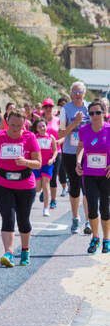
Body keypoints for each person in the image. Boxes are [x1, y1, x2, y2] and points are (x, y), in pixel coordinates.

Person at [0, 105, 42, 267]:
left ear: (24, 125)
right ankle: (9, 253)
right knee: (8, 217)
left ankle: (25, 250)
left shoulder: (30, 137)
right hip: (2, 183)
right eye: (12, 125)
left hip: (25, 185)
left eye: (19, 126)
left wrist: (25, 162)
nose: (16, 129)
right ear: (7, 122)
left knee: (23, 219)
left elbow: (38, 163)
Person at [74, 97, 110, 254]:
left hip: (106, 175)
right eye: (91, 113)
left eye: (98, 112)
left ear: (104, 113)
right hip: (88, 174)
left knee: (106, 208)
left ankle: (106, 239)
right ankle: (95, 237)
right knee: (93, 208)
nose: (94, 115)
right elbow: (81, 147)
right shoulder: (83, 130)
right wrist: (78, 162)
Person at [59, 82, 93, 234]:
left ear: (84, 93)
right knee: (74, 186)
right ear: (71, 94)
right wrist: (75, 123)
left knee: (87, 187)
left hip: (87, 152)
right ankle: (75, 218)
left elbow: (96, 130)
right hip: (70, 153)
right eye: (75, 92)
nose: (78, 94)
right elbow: (60, 134)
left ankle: (88, 220)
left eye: (80, 91)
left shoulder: (91, 108)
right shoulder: (65, 109)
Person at [30, 114, 57, 219]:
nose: (42, 128)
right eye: (40, 127)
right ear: (36, 129)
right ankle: (40, 192)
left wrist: (52, 159)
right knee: (38, 188)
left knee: (46, 185)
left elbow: (55, 151)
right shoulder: (34, 137)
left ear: (46, 126)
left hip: (47, 164)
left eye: (43, 126)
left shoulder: (51, 137)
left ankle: (46, 208)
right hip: (37, 164)